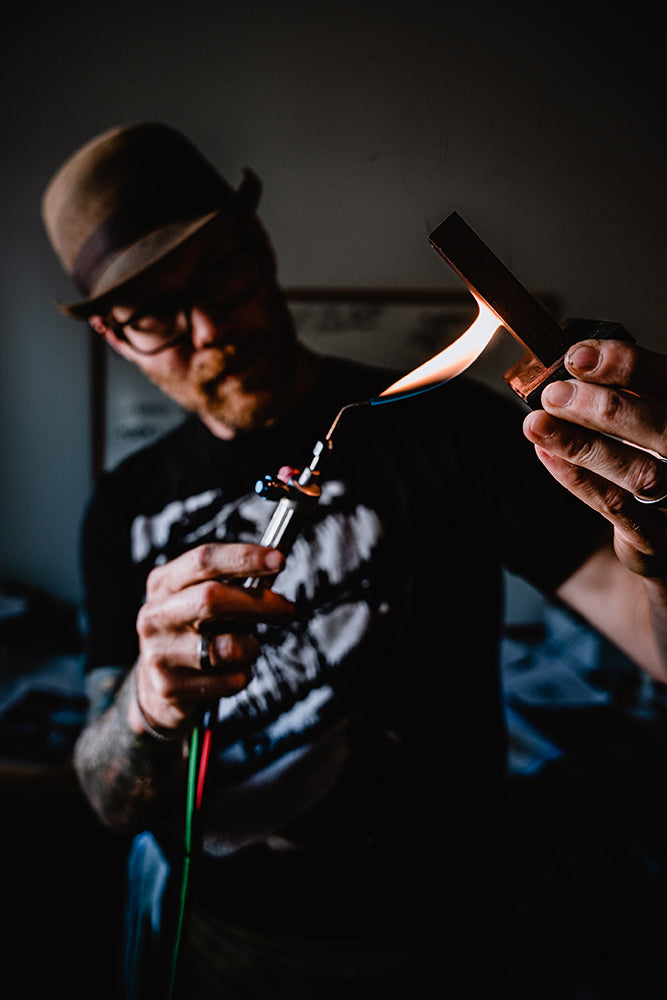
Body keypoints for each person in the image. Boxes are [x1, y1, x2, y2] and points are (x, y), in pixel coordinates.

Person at [42, 122, 667, 999]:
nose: (211, 327)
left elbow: (652, 636)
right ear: (113, 335)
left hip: (445, 945)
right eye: (153, 312)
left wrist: (661, 553)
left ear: (258, 246)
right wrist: (145, 705)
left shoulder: (451, 435)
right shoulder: (121, 509)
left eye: (222, 271)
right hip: (225, 948)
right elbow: (112, 799)